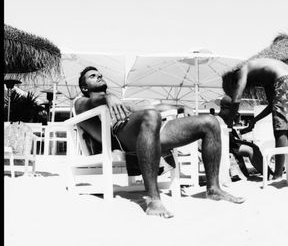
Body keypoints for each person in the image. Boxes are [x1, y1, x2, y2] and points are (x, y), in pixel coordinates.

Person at [74, 66, 245, 219]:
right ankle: (153, 198)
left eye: (100, 74)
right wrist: (107, 98)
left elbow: (152, 106)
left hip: (149, 130)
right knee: (151, 116)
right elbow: (90, 103)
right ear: (84, 87)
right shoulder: (80, 102)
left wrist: (179, 107)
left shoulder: (117, 102)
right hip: (122, 137)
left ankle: (213, 188)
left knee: (210, 122)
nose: (99, 76)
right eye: (92, 76)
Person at [224, 58, 288, 181]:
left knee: (280, 132)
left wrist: (228, 123)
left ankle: (278, 175)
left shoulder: (242, 71)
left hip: (283, 81)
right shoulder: (266, 78)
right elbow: (273, 105)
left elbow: (236, 100)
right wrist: (255, 120)